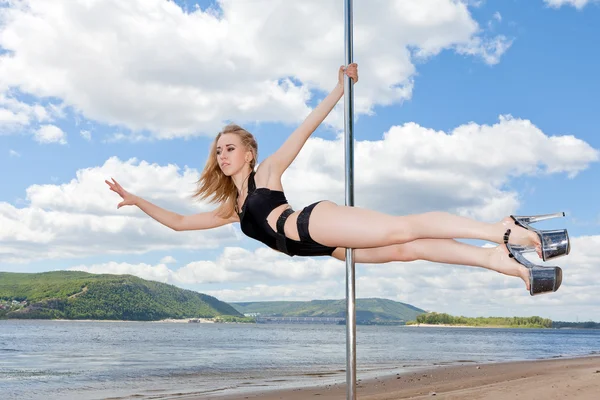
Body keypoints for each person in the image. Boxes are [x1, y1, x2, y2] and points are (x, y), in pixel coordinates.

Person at [106, 64, 568, 296]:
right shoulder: (234, 207)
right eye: (217, 151)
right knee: (412, 249)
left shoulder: (266, 173)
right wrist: (137, 198)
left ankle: (504, 228)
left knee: (403, 228)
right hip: (328, 249)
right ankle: (503, 262)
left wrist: (339, 88)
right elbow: (182, 224)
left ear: (248, 153)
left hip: (312, 224)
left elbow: (305, 129)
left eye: (229, 148)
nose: (221, 155)